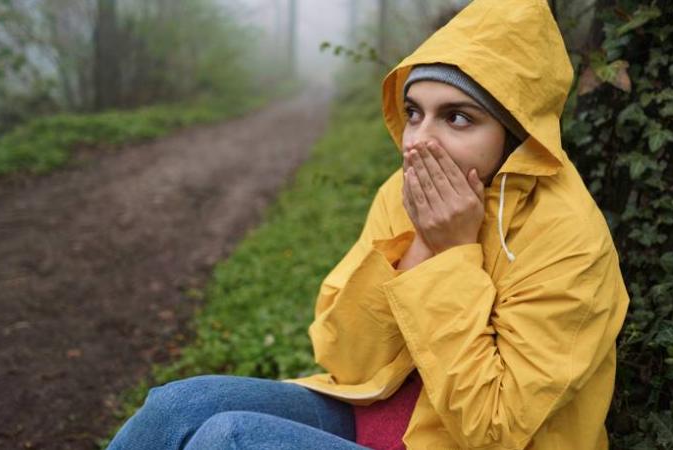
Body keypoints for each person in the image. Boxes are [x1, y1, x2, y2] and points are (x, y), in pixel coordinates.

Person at [106, 0, 629, 448]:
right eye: (414, 112)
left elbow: (494, 429)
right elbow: (346, 360)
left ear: (517, 134)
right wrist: (421, 245)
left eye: (457, 117)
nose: (418, 140)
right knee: (176, 406)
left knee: (230, 439)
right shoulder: (403, 192)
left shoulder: (568, 240)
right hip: (369, 417)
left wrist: (452, 255)